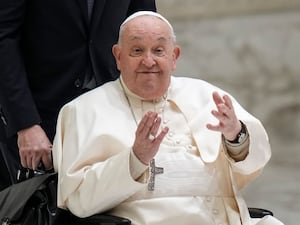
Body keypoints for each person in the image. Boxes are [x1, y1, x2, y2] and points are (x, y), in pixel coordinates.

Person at [52, 11, 284, 225]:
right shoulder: (83, 111)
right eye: (137, 50)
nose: (149, 61)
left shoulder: (206, 95)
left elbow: (255, 163)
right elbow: (78, 200)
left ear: (174, 56)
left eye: (159, 50)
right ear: (118, 56)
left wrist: (236, 136)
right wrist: (135, 159)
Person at [0, 0, 156, 190]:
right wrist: (25, 124)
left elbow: (147, 26)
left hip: (115, 110)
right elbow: (4, 38)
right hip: (40, 118)